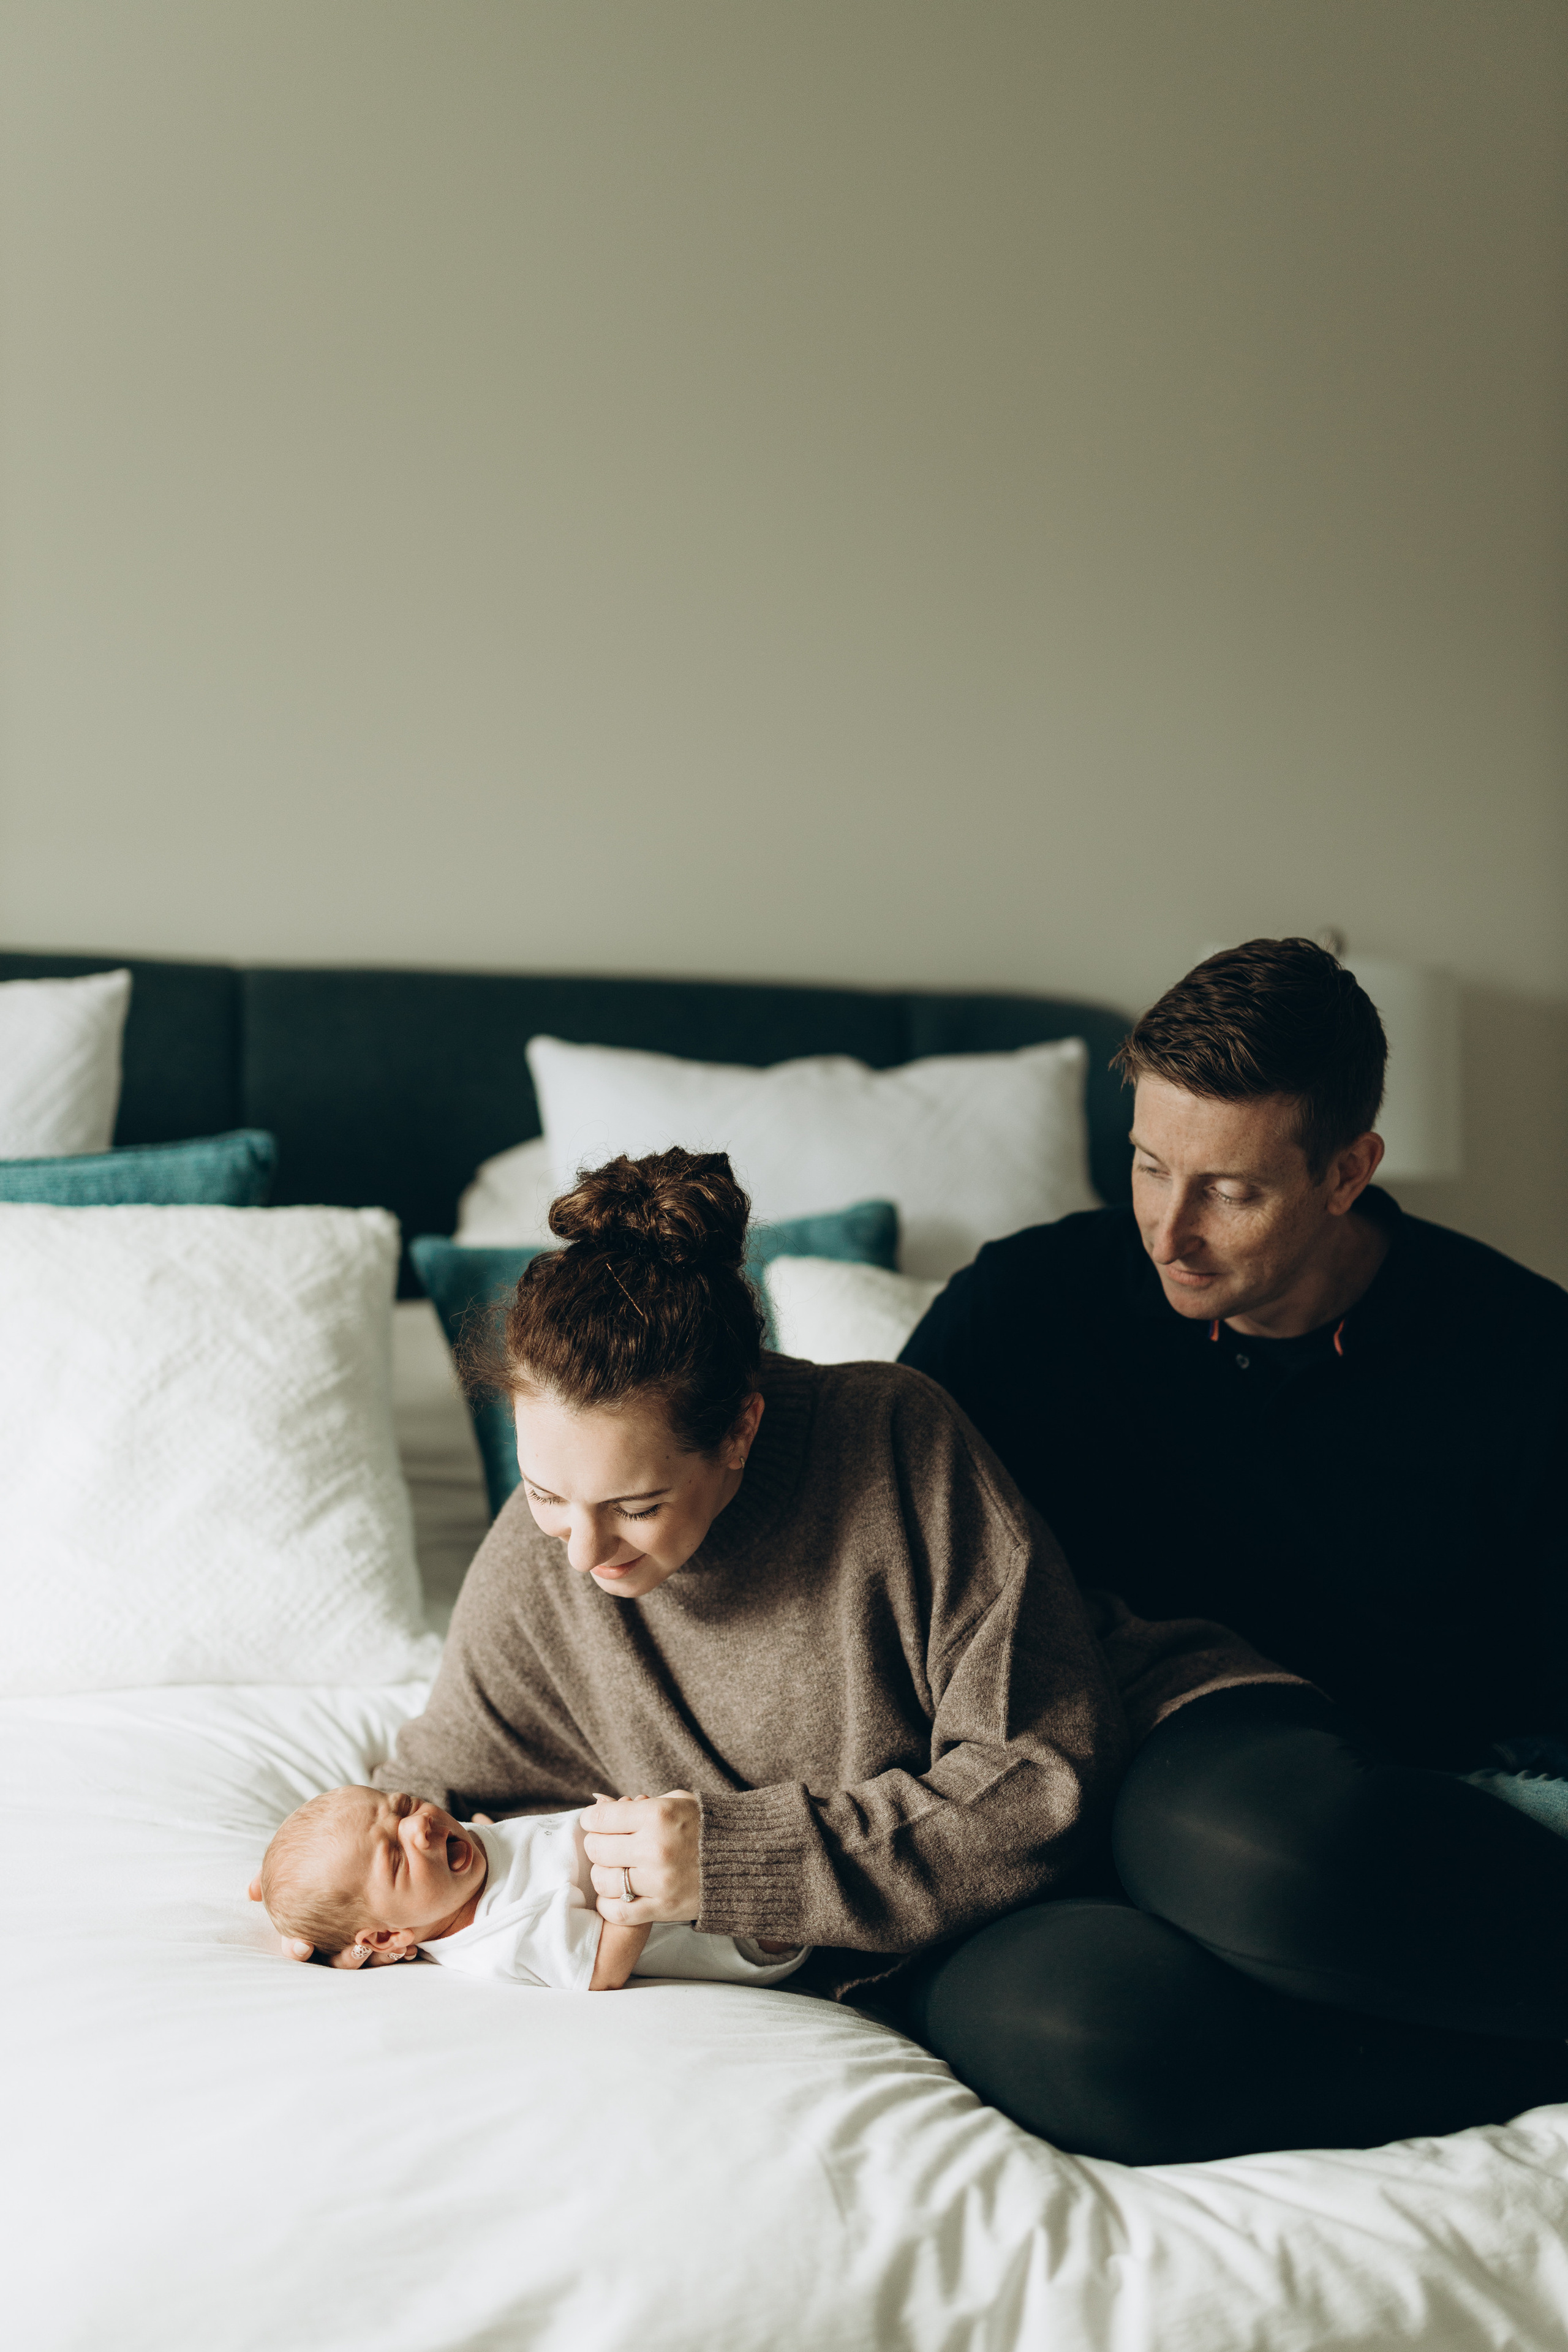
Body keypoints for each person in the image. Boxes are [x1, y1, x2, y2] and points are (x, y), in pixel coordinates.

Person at [900, 937, 1568, 2161]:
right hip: (1045, 1820)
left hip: (1359, 1842)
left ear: (1345, 1171)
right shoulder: (1026, 1308)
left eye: (1231, 1190)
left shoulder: (1523, 1358)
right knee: (1089, 2037)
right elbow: (864, 1556)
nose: (1170, 1229)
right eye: (1149, 1166)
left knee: (1287, 1861)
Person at [364, 1145, 1278, 2027]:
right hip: (909, 1934)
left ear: (740, 1432)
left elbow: (1040, 1776)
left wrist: (739, 1861)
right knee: (1097, 2034)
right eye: (546, 1493)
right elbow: (437, 1782)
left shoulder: (891, 1436)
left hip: (1109, 1785)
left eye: (637, 1506)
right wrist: (327, 1886)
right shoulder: (542, 1548)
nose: (582, 1553)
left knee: (1290, 1872)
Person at [252, 1784, 807, 1989]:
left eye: (399, 1805)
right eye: (395, 1857)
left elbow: (505, 1841)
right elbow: (600, 1971)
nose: (418, 1826)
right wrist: (626, 1892)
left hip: (695, 1860)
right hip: (733, 1932)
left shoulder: (451, 1867)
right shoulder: (501, 1936)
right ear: (385, 1937)